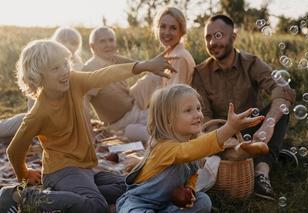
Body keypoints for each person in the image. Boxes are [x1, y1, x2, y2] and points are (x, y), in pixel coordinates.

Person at [4, 39, 177, 213]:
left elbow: (102, 75)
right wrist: (24, 175)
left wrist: (143, 65)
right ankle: (24, 197)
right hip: (60, 171)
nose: (64, 71)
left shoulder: (73, 81)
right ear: (38, 75)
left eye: (65, 64)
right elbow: (14, 150)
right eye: (55, 68)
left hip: (85, 169)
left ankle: (66, 194)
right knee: (97, 206)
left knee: (132, 187)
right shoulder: (38, 114)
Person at [192, 15, 296, 200]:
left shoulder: (251, 63)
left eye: (218, 35)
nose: (212, 42)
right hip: (221, 135)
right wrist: (226, 138)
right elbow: (204, 116)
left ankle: (260, 174)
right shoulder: (200, 73)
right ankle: (267, 153)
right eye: (208, 37)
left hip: (254, 130)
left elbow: (282, 89)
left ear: (233, 37)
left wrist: (268, 124)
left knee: (280, 109)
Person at [116, 84, 265, 212]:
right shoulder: (164, 147)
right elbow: (190, 150)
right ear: (169, 120)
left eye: (198, 108)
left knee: (203, 201)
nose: (197, 115)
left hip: (169, 203)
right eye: (188, 110)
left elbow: (192, 174)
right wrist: (229, 128)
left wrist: (190, 190)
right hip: (140, 202)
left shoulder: (192, 144)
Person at [82, 27, 149, 143]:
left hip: (135, 110)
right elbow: (84, 103)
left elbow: (140, 65)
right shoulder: (91, 69)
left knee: (169, 120)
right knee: (159, 133)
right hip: (121, 123)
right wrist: (90, 134)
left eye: (111, 40)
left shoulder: (114, 59)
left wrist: (156, 64)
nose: (108, 45)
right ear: (92, 46)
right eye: (102, 41)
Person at [130, 7, 196, 109]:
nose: (166, 32)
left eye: (173, 28)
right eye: (163, 27)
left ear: (181, 32)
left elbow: (174, 100)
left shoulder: (179, 57)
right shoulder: (170, 54)